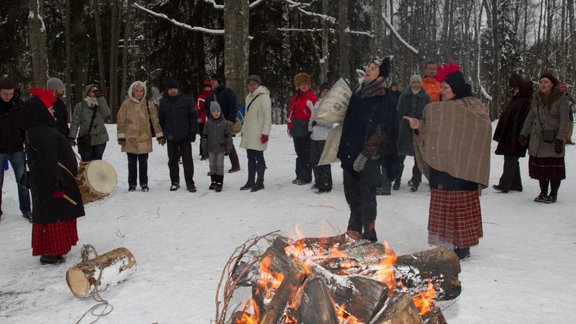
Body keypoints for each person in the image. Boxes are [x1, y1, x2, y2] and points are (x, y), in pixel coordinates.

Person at [405, 63, 491, 260]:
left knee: (460, 206)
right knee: (443, 205)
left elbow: (483, 129)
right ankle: (444, 241)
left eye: (445, 87)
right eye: (441, 87)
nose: (441, 90)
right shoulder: (437, 110)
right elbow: (431, 130)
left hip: (463, 168)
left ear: (456, 88)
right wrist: (419, 126)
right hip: (442, 165)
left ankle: (462, 246)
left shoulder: (473, 106)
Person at [337, 57, 398, 242]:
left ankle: (369, 233)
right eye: (368, 66)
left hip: (369, 156)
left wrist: (366, 153)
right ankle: (353, 230)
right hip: (351, 151)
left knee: (367, 195)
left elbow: (383, 128)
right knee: (351, 193)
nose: (368, 70)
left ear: (381, 74)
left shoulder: (383, 96)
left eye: (373, 68)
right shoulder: (358, 93)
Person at [22, 88, 85, 265]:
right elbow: (48, 160)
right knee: (53, 215)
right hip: (51, 183)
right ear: (40, 111)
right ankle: (50, 252)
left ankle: (56, 250)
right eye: (49, 109)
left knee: (57, 214)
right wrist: (55, 182)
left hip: (52, 181)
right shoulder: (41, 132)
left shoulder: (42, 129)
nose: (53, 111)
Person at [519, 72, 570, 203]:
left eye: (546, 82)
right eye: (541, 82)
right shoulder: (535, 98)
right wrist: (524, 133)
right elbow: (530, 117)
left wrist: (560, 138)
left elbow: (564, 121)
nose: (543, 85)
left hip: (553, 139)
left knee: (553, 168)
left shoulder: (561, 98)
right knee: (541, 168)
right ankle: (543, 192)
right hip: (538, 140)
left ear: (552, 84)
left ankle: (553, 194)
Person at [117, 81, 164, 192]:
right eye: (137, 91)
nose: (139, 93)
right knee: (131, 163)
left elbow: (155, 120)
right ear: (132, 91)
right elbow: (120, 120)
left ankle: (144, 183)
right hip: (130, 139)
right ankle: (132, 184)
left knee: (143, 163)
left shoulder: (149, 104)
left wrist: (159, 135)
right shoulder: (126, 104)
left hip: (144, 138)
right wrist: (121, 136)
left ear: (144, 92)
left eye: (141, 91)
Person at [492, 74, 533, 193]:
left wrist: (522, 136)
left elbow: (523, 121)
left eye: (515, 88)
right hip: (509, 135)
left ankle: (504, 184)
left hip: (516, 136)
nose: (513, 91)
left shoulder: (525, 102)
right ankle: (516, 184)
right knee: (512, 160)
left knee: (510, 160)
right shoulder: (516, 101)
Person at [158, 79, 198, 192]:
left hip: (185, 136)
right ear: (168, 90)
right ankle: (174, 182)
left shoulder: (186, 100)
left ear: (178, 89)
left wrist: (193, 131)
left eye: (174, 88)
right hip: (171, 137)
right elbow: (160, 120)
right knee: (172, 161)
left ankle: (190, 182)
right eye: (170, 89)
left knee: (187, 160)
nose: (173, 91)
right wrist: (163, 134)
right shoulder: (163, 102)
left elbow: (194, 116)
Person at [0, 79, 31, 221]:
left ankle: (26, 210)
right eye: (5, 94)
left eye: (11, 93)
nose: (8, 96)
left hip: (17, 148)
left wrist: (26, 141)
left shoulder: (20, 105)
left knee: (22, 181)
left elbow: (26, 126)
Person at [393, 74, 430, 192]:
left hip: (418, 130)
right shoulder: (404, 96)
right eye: (413, 82)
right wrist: (405, 121)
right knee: (400, 158)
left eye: (418, 82)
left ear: (421, 83)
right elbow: (398, 112)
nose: (416, 84)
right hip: (404, 130)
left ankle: (416, 182)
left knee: (418, 159)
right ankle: (397, 180)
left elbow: (427, 114)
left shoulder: (425, 97)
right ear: (410, 83)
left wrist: (419, 122)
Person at [239, 75, 272, 192]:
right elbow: (247, 116)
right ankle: (250, 180)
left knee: (259, 157)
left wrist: (265, 133)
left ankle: (260, 182)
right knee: (250, 158)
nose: (251, 86)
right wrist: (244, 130)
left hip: (258, 133)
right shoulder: (249, 97)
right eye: (249, 84)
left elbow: (268, 117)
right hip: (249, 132)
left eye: (253, 84)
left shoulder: (264, 97)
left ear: (258, 85)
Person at [204, 75, 241, 173]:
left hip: (226, 123)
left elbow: (233, 107)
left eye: (214, 81)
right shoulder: (210, 96)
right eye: (211, 81)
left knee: (228, 143)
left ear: (219, 82)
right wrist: (211, 117)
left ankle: (235, 165)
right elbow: (206, 108)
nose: (211, 82)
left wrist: (230, 120)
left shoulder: (228, 92)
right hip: (214, 124)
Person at [288, 72, 317, 185]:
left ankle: (306, 177)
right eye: (301, 84)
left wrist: (312, 129)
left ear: (309, 85)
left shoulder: (312, 97)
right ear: (298, 86)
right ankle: (299, 175)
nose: (304, 86)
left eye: (306, 83)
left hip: (307, 129)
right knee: (299, 153)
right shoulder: (296, 97)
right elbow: (291, 112)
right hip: (296, 128)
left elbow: (315, 115)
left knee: (306, 153)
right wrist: (290, 126)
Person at [69, 83, 111, 161]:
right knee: (86, 165)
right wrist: (72, 137)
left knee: (97, 164)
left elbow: (107, 113)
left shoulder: (100, 104)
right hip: (86, 140)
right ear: (87, 92)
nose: (94, 93)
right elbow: (75, 123)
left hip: (100, 139)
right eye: (92, 91)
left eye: (96, 91)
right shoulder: (80, 106)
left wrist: (101, 98)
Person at [201, 102, 232, 192]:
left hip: (221, 148)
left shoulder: (224, 123)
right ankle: (213, 181)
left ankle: (219, 182)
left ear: (220, 111)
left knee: (219, 165)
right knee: (212, 165)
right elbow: (204, 137)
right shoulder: (208, 123)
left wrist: (228, 147)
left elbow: (228, 136)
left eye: (218, 111)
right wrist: (204, 148)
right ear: (211, 112)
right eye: (214, 111)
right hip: (211, 148)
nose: (216, 113)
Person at [309, 82, 333, 193]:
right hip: (314, 136)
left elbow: (329, 122)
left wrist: (317, 123)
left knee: (324, 161)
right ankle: (318, 181)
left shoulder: (331, 105)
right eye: (323, 91)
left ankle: (326, 184)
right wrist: (310, 129)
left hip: (324, 137)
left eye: (327, 91)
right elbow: (312, 118)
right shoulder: (317, 103)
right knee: (314, 161)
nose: (325, 93)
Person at [196, 80, 212, 159]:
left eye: (209, 87)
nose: (207, 89)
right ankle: (203, 153)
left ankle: (210, 152)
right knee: (203, 137)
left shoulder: (213, 96)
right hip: (202, 120)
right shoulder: (200, 97)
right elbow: (198, 108)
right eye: (206, 87)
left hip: (211, 120)